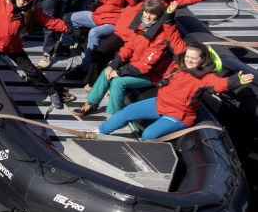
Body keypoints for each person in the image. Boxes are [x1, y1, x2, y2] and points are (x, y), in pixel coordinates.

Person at [83, 0, 235, 89]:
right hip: (123, 33)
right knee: (100, 52)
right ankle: (90, 82)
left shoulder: (170, 1)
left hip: (141, 38)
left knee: (126, 61)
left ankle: (110, 85)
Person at [97, 42, 254, 140]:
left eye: (194, 58)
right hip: (160, 104)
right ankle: (100, 132)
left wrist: (236, 81)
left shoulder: (206, 77)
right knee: (127, 112)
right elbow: (174, 38)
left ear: (203, 60)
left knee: (148, 135)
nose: (189, 61)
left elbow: (220, 85)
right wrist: (169, 17)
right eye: (188, 57)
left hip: (178, 116)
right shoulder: (178, 67)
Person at [73, 0, 181, 117]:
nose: (148, 16)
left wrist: (119, 72)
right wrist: (114, 64)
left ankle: (114, 116)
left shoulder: (161, 37)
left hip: (154, 74)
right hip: (136, 66)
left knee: (118, 82)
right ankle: (91, 104)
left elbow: (145, 65)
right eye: (146, 12)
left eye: (153, 14)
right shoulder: (142, 27)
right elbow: (128, 47)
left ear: (159, 16)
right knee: (106, 71)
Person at [61, 0, 137, 82]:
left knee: (94, 33)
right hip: (97, 16)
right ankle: (63, 46)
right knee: (69, 18)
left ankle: (84, 69)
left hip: (113, 22)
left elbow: (133, 0)